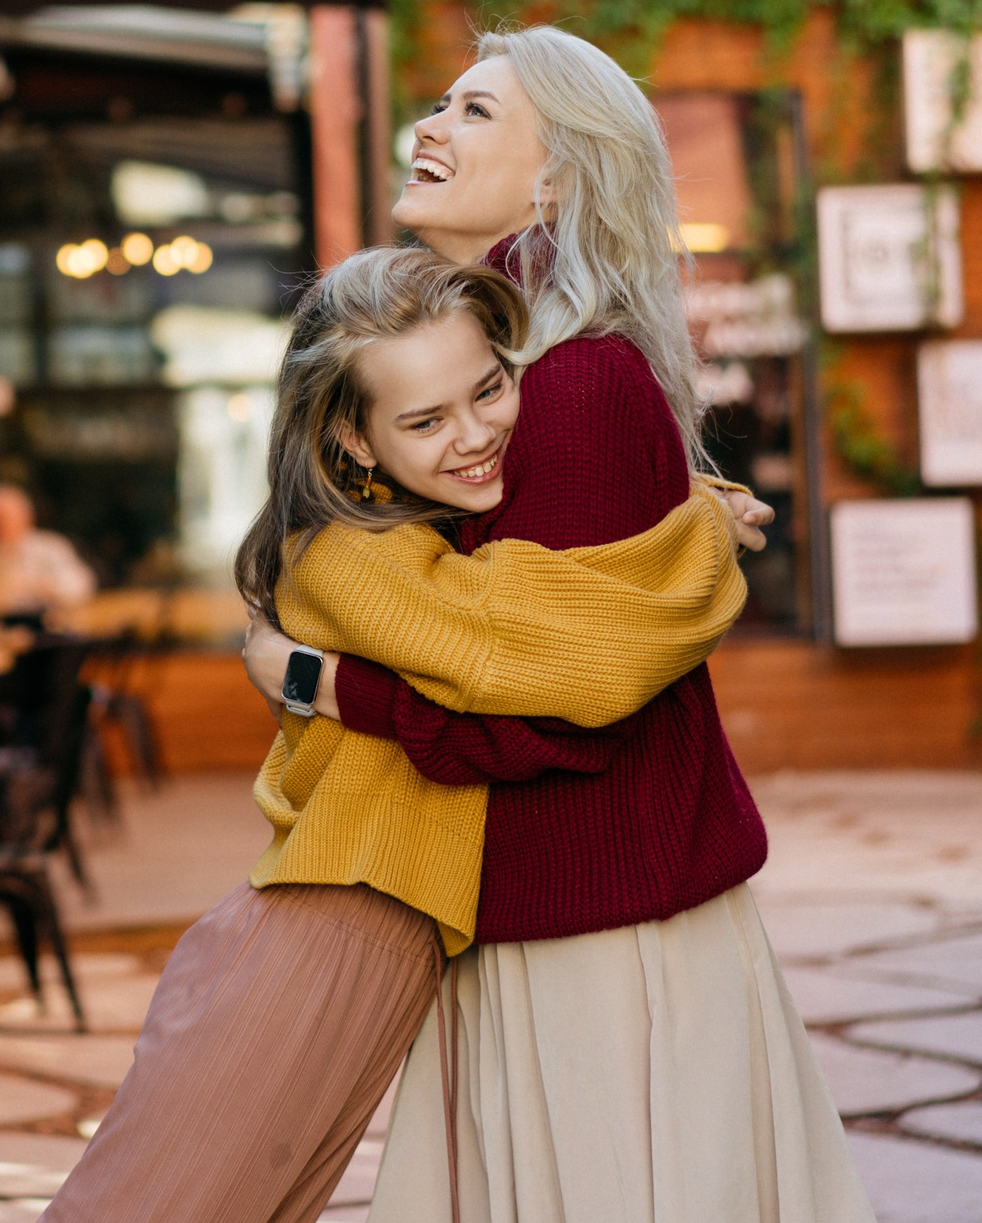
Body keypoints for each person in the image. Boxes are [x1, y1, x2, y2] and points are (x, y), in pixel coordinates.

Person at [245, 25, 869, 1223]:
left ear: (558, 176)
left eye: (476, 112)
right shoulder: (509, 370)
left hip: (602, 945)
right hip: (559, 921)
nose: (430, 125)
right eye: (439, 101)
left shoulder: (572, 384)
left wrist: (325, 685)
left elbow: (554, 708)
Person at [44, 243, 760, 1223]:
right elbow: (577, 682)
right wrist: (703, 536)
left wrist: (684, 503)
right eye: (424, 419)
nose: (475, 436)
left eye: (489, 388)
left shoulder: (432, 538)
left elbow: (562, 617)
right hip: (327, 932)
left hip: (362, 934)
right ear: (352, 440)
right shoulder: (351, 555)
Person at [0, 483, 94, 626]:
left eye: (4, 518)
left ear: (26, 516)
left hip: (47, 627)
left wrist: (38, 586)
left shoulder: (50, 547)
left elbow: (81, 588)